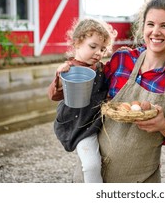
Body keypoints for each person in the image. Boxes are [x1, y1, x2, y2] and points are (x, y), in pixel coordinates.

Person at [97, 0, 165, 182]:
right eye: (150, 24)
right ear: (143, 27)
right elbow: (92, 90)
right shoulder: (122, 60)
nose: (156, 32)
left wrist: (163, 126)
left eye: (164, 26)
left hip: (141, 179)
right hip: (93, 171)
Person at [48, 18, 116, 183]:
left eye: (103, 49)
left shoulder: (100, 68)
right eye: (93, 47)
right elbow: (54, 95)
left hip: (96, 120)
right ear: (77, 43)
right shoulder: (69, 69)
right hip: (78, 124)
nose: (98, 53)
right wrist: (59, 76)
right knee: (91, 164)